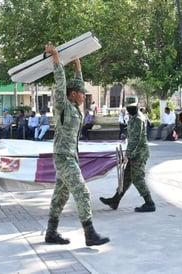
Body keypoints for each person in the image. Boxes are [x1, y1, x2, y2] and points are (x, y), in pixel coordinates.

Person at [44, 44, 109, 246]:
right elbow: (61, 83)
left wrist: (78, 66)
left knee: (60, 197)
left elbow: (76, 83)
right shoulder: (63, 106)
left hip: (69, 156)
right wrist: (56, 58)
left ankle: (51, 232)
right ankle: (89, 234)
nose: (84, 96)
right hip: (63, 156)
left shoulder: (74, 107)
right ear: (72, 94)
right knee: (82, 192)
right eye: (81, 94)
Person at [100, 96, 156, 212]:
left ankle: (149, 202)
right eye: (128, 107)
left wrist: (127, 155)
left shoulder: (138, 119)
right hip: (134, 153)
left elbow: (136, 139)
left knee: (137, 178)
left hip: (139, 154)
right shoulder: (133, 117)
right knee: (126, 178)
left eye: (132, 107)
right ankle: (115, 200)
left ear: (137, 106)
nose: (130, 109)